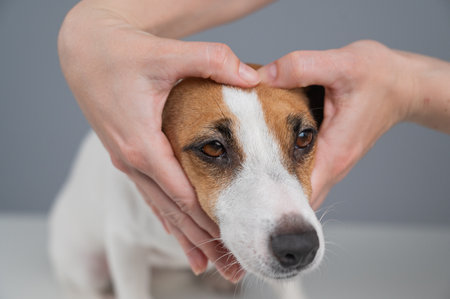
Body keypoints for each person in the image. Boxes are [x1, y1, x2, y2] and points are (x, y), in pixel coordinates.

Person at [58, 0, 450, 282]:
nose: (291, 218)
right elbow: (121, 237)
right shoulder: (133, 150)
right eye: (213, 149)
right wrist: (95, 18)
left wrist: (405, 86)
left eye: (301, 139)